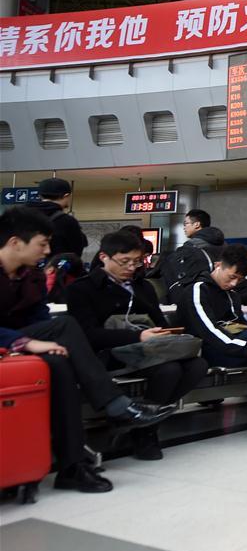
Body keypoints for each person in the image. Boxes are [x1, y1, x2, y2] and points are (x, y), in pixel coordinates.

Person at [0, 207, 174, 492]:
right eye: (42, 244)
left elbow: (38, 318)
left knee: (61, 365)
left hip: (21, 351)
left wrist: (50, 344)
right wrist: (29, 343)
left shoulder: (30, 276)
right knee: (65, 325)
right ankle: (116, 406)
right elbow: (44, 328)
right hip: (12, 345)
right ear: (16, 242)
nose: (47, 251)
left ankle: (72, 467)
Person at [66, 231, 208, 460]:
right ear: (104, 257)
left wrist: (165, 334)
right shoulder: (82, 289)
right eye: (125, 262)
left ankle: (141, 425)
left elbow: (160, 322)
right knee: (169, 370)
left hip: (148, 350)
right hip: (110, 352)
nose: (131, 267)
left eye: (137, 261)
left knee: (197, 365)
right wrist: (138, 337)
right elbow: (87, 335)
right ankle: (145, 432)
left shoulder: (143, 287)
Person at [177, 244, 247, 394]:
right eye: (232, 277)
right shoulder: (197, 290)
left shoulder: (232, 295)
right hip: (211, 350)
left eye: (239, 280)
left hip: (235, 347)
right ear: (219, 265)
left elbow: (241, 324)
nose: (234, 283)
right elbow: (209, 331)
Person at [25, 178, 88, 258]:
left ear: (40, 195)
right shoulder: (67, 221)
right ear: (66, 196)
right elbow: (75, 253)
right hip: (57, 268)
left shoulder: (20, 216)